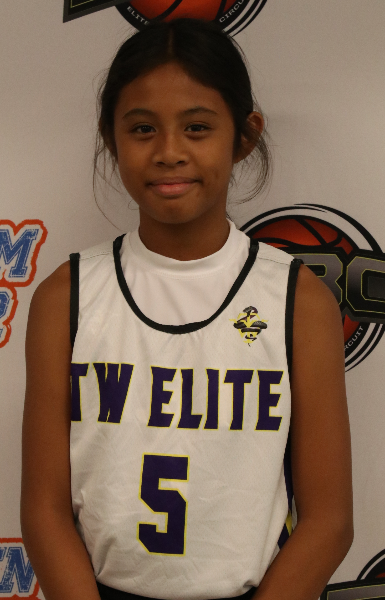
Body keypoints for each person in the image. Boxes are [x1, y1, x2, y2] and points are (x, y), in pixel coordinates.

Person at [21, 17, 353, 600]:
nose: (169, 152)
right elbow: (44, 510)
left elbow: (329, 521)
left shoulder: (297, 301)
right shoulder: (64, 298)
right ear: (110, 137)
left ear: (244, 135)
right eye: (142, 129)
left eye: (197, 127)